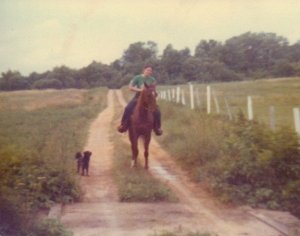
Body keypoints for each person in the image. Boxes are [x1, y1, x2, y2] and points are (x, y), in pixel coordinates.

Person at [117, 65, 163, 136]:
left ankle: (157, 128)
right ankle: (123, 125)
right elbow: (130, 87)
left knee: (157, 111)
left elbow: (153, 89)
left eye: (150, 71)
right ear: (144, 70)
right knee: (128, 108)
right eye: (148, 70)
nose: (149, 72)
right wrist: (140, 90)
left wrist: (154, 95)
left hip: (149, 98)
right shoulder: (137, 78)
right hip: (138, 97)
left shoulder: (152, 79)